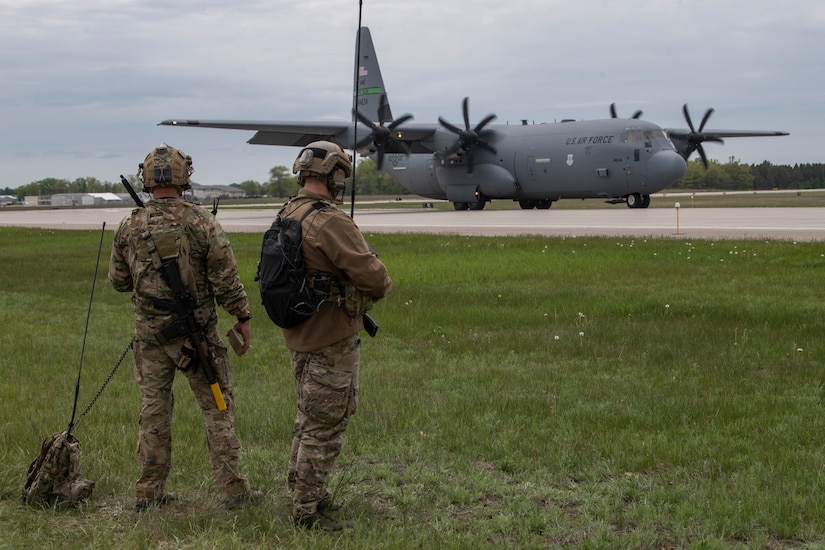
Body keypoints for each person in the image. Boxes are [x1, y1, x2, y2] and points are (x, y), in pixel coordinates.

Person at [109, 143, 262, 512]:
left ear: (146, 179)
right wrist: (242, 317)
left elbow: (119, 282)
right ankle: (234, 491)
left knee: (153, 413)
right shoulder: (200, 222)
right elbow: (226, 279)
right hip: (198, 341)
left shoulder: (130, 225)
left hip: (150, 340)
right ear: (184, 177)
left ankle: (149, 492)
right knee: (218, 410)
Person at [281, 141, 392, 530]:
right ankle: (306, 510)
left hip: (301, 335)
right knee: (326, 423)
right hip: (330, 338)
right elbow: (373, 276)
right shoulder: (329, 221)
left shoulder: (289, 212)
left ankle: (302, 489)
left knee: (309, 417)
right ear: (335, 175)